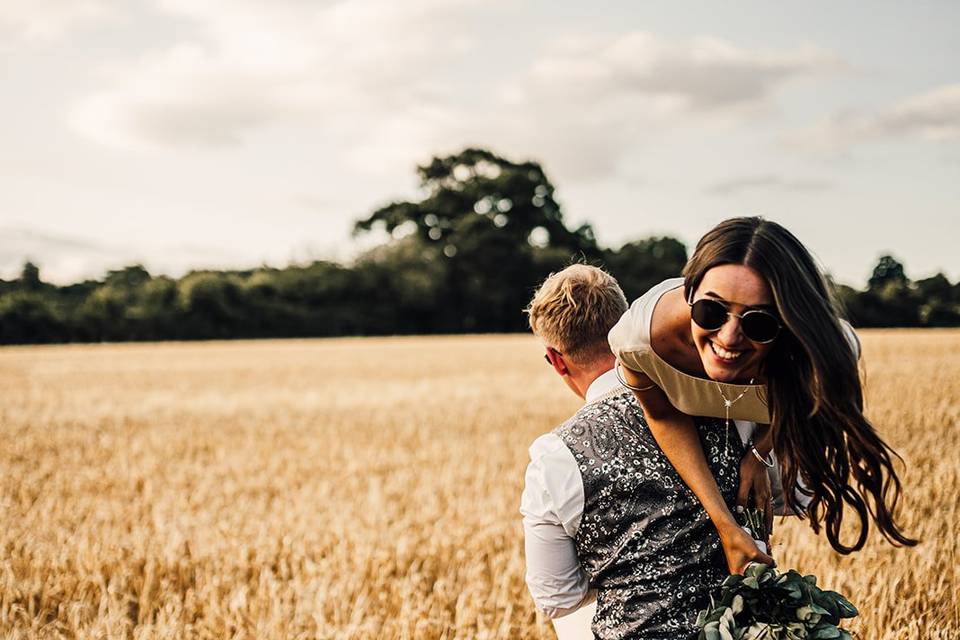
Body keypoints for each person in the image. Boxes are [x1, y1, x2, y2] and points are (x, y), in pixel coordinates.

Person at [608, 216, 917, 575]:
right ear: (690, 293)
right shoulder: (639, 341)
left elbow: (805, 401)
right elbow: (663, 416)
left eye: (759, 322)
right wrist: (725, 525)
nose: (728, 338)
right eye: (711, 311)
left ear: (787, 323)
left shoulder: (822, 351)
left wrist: (759, 452)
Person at [520, 264, 794, 639]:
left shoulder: (556, 457)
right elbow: (795, 497)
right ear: (626, 323)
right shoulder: (725, 403)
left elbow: (558, 599)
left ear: (556, 359)